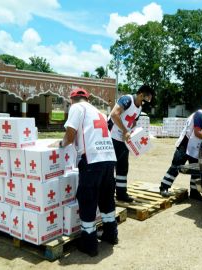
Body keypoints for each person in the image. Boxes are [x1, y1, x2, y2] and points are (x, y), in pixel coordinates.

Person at [57, 87, 117, 257]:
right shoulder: (98, 111)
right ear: (88, 98)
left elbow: (69, 136)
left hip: (91, 160)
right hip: (108, 158)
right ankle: (111, 234)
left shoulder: (77, 108)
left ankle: (89, 243)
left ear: (71, 100)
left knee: (87, 199)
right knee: (106, 198)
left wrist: (59, 145)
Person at [159, 98, 202, 201]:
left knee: (196, 171)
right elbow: (197, 132)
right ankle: (164, 187)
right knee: (175, 167)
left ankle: (194, 192)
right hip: (185, 146)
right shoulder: (200, 115)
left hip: (197, 148)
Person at [108, 85, 154, 202]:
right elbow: (114, 114)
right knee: (109, 166)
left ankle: (121, 194)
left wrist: (134, 135)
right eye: (145, 98)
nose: (146, 102)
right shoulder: (127, 100)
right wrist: (125, 131)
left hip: (124, 139)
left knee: (123, 167)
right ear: (140, 94)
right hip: (111, 136)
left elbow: (133, 122)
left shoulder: (139, 107)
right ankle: (107, 194)